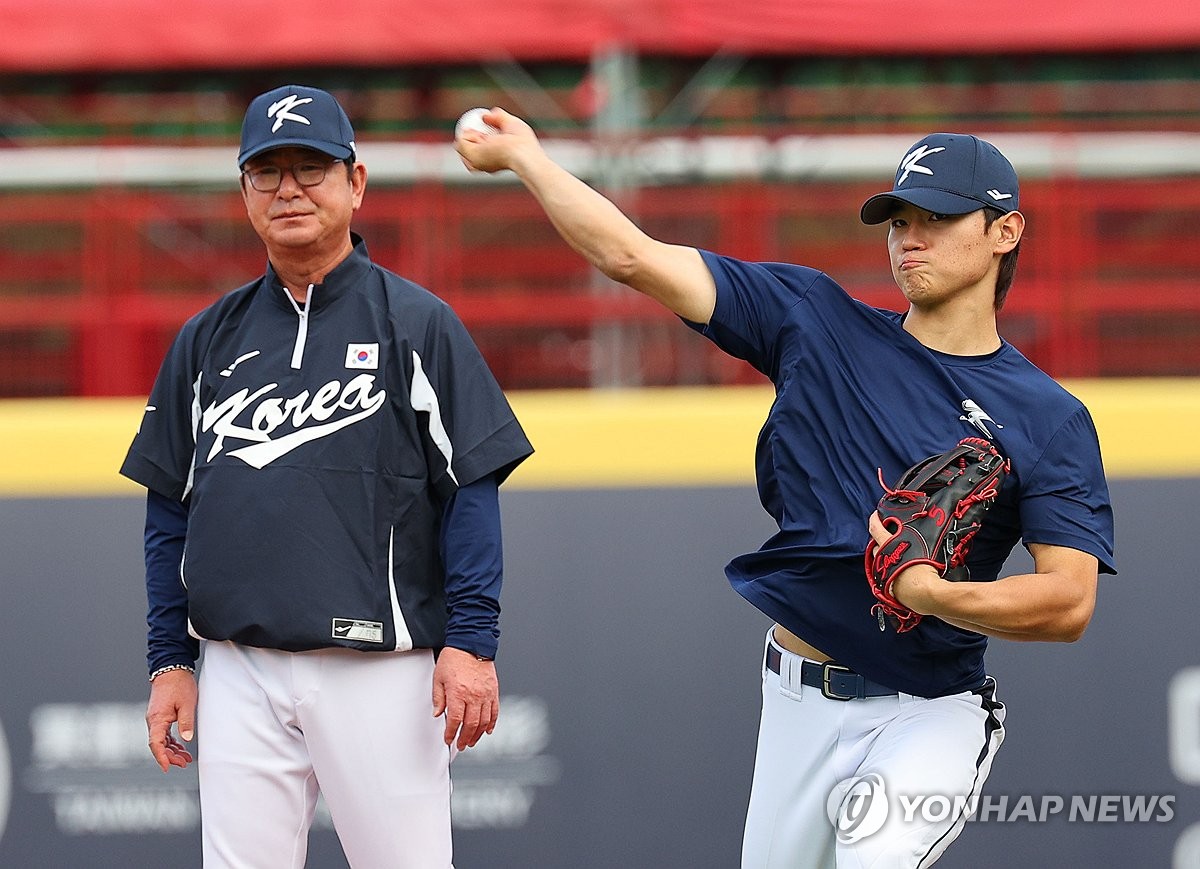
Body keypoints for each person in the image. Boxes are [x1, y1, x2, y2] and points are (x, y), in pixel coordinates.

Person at [456, 112, 1114, 868]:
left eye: (936, 216)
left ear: (1005, 231)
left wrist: (935, 596)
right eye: (898, 217)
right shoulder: (816, 320)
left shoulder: (1049, 417)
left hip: (930, 711)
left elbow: (1069, 601)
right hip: (796, 701)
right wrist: (528, 158)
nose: (909, 235)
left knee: (878, 857)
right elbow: (630, 255)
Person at [121, 85, 533, 868]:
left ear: (356, 182)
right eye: (266, 171)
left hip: (380, 668)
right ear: (244, 192)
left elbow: (472, 488)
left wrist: (473, 642)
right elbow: (168, 511)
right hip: (238, 664)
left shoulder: (416, 322)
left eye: (310, 167)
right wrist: (170, 658)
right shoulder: (207, 339)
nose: (289, 189)